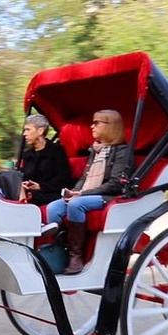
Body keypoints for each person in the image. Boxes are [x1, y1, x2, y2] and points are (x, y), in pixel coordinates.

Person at [46, 109, 129, 274]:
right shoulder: (95, 150)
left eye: (97, 122)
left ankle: (75, 256)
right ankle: (59, 247)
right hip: (88, 193)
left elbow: (115, 184)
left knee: (76, 205)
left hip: (109, 196)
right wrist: (74, 191)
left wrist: (81, 195)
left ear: (111, 126)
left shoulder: (122, 151)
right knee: (53, 207)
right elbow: (85, 178)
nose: (92, 126)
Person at [20, 114, 71, 206]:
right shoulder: (27, 154)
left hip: (50, 193)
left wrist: (40, 186)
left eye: (28, 130)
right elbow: (25, 177)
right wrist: (25, 184)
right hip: (29, 192)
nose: (24, 134)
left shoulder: (57, 151)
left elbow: (63, 179)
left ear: (40, 131)